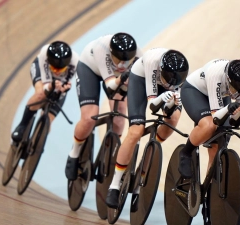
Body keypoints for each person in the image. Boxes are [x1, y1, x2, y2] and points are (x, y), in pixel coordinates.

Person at [105, 47, 190, 208]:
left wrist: (171, 103)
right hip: (141, 78)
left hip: (168, 88)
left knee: (172, 121)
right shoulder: (153, 61)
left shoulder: (182, 73)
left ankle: (146, 161)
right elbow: (153, 106)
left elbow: (169, 108)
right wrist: (161, 98)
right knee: (135, 131)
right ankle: (114, 185)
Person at [65, 32, 142, 180]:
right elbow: (111, 86)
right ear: (111, 53)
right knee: (89, 117)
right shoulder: (102, 49)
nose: (121, 65)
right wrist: (123, 79)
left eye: (126, 62)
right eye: (118, 60)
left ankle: (109, 154)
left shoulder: (139, 55)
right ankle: (74, 153)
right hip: (91, 69)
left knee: (119, 117)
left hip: (117, 78)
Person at [178, 59, 240, 178]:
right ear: (227, 79)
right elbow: (216, 118)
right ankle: (186, 153)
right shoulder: (216, 74)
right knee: (209, 126)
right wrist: (229, 108)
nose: (237, 96)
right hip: (195, 91)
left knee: (220, 140)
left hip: (220, 94)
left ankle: (209, 188)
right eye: (234, 90)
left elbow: (233, 122)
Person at [11, 41, 79, 142]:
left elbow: (64, 87)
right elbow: (46, 86)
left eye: (60, 69)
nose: (56, 71)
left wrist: (62, 90)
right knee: (40, 94)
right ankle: (22, 125)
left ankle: (37, 144)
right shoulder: (44, 53)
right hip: (42, 72)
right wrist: (50, 87)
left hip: (60, 81)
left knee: (49, 119)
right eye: (54, 68)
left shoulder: (76, 62)